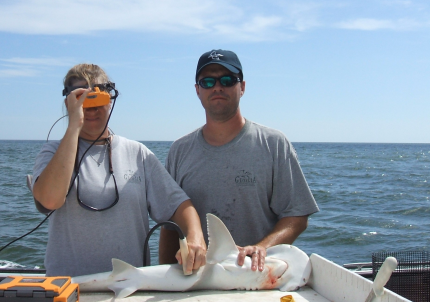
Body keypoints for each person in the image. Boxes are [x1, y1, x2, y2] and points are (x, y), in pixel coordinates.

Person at [31, 63, 206, 277]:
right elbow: (49, 200)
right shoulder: (53, 152)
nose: (92, 108)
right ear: (69, 103)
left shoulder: (137, 153)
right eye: (82, 99)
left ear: (111, 98)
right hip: (69, 288)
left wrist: (195, 236)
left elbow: (178, 205)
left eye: (98, 98)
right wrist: (74, 125)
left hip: (129, 286)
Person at [161, 49, 319, 272]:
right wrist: (166, 280)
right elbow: (170, 225)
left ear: (242, 87)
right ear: (197, 90)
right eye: (207, 81)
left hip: (254, 277)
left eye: (227, 80)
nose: (217, 87)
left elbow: (297, 216)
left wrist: (262, 248)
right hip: (193, 281)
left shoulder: (274, 144)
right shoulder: (179, 150)